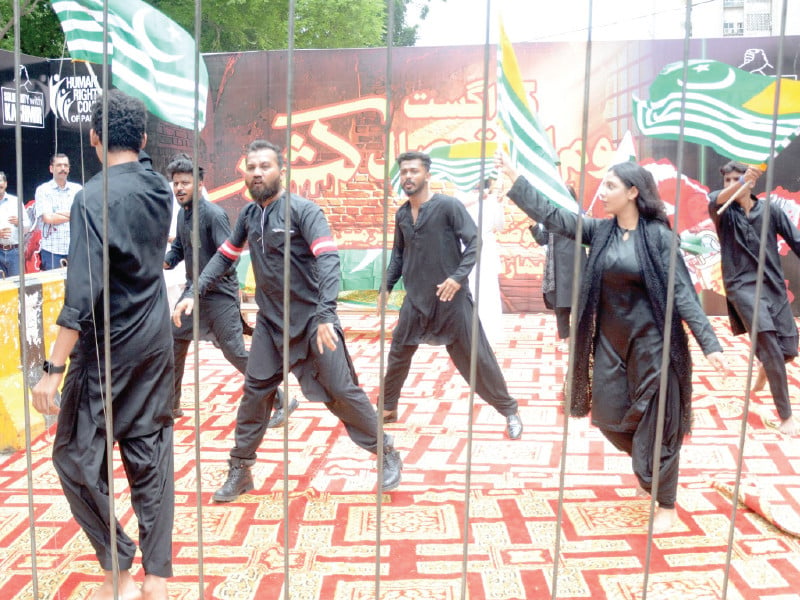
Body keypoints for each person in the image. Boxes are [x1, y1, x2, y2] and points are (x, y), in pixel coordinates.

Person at [498, 154, 727, 533]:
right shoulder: (601, 232)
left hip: (653, 346)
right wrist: (517, 184)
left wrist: (710, 343)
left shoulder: (659, 238)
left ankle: (666, 502)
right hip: (607, 343)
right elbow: (557, 219)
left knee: (657, 425)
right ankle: (647, 466)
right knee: (606, 417)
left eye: (610, 186)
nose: (601, 193)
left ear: (633, 193)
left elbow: (683, 295)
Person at [174, 139, 402, 502]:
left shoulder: (305, 211)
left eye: (265, 166)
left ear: (282, 171)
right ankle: (241, 468)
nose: (257, 172)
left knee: (341, 393)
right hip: (271, 325)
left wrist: (327, 313)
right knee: (254, 394)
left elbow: (328, 260)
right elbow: (224, 257)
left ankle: (386, 450)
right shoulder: (248, 217)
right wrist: (193, 291)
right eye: (251, 167)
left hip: (314, 324)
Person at [32, 91, 174, 600]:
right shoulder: (161, 189)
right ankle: (156, 577)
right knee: (149, 451)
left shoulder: (90, 197)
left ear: (93, 139)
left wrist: (53, 366)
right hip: (155, 341)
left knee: (72, 456)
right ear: (141, 138)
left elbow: (82, 288)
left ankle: (121, 573)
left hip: (106, 347)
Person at [380, 151, 523, 439]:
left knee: (476, 361)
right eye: (404, 172)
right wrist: (386, 287)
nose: (408, 177)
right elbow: (398, 253)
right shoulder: (402, 214)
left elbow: (474, 242)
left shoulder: (447, 207)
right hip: (416, 301)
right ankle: (387, 408)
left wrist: (457, 279)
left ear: (427, 175)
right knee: (397, 355)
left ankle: (509, 411)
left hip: (451, 302)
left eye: (414, 171)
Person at [163, 154, 298, 422]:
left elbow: (228, 256)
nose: (179, 188)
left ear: (199, 184)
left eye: (185, 183)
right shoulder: (182, 216)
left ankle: (283, 400)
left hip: (219, 297)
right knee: (174, 339)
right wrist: (164, 260)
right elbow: (179, 248)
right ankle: (171, 405)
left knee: (235, 353)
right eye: (176, 183)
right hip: (193, 297)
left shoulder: (214, 215)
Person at [708, 161, 800, 435]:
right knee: (770, 344)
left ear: (752, 182)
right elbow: (717, 198)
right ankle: (786, 417)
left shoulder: (770, 211)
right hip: (742, 287)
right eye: (727, 180)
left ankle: (764, 367)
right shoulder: (721, 210)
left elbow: (796, 241)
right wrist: (740, 182)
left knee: (789, 349)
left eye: (738, 178)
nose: (731, 184)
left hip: (772, 287)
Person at [528, 186, 587, 352]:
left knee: (577, 304)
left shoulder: (579, 215)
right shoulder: (550, 217)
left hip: (577, 265)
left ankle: (577, 340)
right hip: (557, 268)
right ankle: (566, 340)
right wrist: (534, 227)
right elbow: (543, 240)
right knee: (561, 306)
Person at [458, 177, 507, 347]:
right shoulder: (461, 197)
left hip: (484, 249)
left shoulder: (492, 199)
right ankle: (467, 332)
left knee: (487, 292)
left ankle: (487, 334)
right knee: (468, 290)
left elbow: (500, 225)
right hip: (465, 248)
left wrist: (498, 202)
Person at [34, 153, 82, 270]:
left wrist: (58, 214)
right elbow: (48, 218)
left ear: (69, 169)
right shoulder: (43, 190)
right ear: (51, 169)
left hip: (75, 248)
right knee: (54, 287)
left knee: (76, 287)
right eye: (59, 165)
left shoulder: (78, 189)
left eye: (66, 165)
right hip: (52, 250)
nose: (63, 169)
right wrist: (72, 214)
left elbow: (82, 215)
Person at [0, 170, 31, 277]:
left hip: (15, 252)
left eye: (0, 180)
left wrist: (19, 223)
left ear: (5, 183)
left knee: (16, 285)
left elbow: (28, 228)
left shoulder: (15, 201)